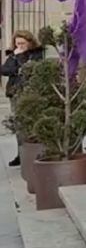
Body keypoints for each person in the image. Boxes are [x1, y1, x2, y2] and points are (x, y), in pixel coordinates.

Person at [3, 31, 44, 167]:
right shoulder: (13, 55)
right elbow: (5, 70)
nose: (19, 46)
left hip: (30, 92)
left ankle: (36, 153)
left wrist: (19, 61)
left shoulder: (36, 54)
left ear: (30, 42)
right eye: (17, 43)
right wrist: (15, 58)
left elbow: (28, 69)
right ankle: (21, 154)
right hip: (14, 93)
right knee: (19, 125)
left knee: (32, 123)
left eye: (22, 43)